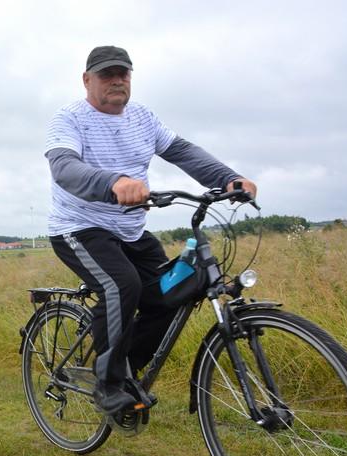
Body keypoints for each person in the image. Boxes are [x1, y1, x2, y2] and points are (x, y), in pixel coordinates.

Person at [45, 46, 257, 415]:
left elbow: (184, 152)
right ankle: (107, 385)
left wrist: (228, 178)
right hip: (79, 227)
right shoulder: (70, 119)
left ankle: (127, 370)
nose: (117, 80)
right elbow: (64, 168)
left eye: (123, 73)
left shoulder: (143, 118)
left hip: (130, 230)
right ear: (87, 80)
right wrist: (113, 182)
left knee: (171, 294)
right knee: (122, 285)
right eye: (107, 74)